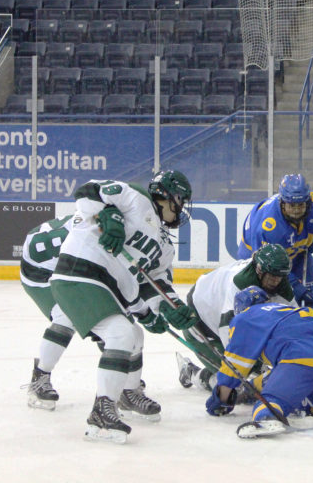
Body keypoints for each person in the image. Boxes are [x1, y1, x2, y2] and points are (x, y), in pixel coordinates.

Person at [49, 170, 198, 444]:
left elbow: (155, 283)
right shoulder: (135, 197)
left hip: (105, 285)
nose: (181, 207)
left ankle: (127, 394)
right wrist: (111, 214)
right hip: (81, 270)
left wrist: (171, 307)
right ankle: (102, 412)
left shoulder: (164, 247)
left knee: (134, 336)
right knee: (122, 334)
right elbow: (87, 191)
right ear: (165, 195)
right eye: (180, 200)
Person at [204, 286, 313, 439]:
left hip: (300, 360)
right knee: (298, 403)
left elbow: (234, 366)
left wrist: (220, 399)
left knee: (270, 400)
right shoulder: (291, 310)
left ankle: (267, 419)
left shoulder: (246, 317)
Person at [175, 243, 296, 392]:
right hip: (199, 315)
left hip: (217, 307)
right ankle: (191, 372)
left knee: (254, 375)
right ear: (259, 270)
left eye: (280, 277)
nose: (275, 281)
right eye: (271, 276)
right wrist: (243, 367)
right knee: (236, 384)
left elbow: (293, 322)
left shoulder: (279, 282)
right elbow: (228, 331)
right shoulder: (240, 283)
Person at [236, 173, 313, 309]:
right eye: (292, 206)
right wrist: (294, 285)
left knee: (308, 298)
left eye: (301, 205)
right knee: (266, 300)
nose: (296, 210)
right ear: (282, 203)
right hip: (259, 259)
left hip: (296, 252)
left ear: (308, 201)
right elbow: (267, 266)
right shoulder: (269, 227)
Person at [22, 214, 77, 410]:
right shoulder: (86, 235)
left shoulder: (95, 218)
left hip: (58, 263)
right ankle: (40, 377)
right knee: (67, 316)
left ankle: (123, 380)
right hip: (39, 274)